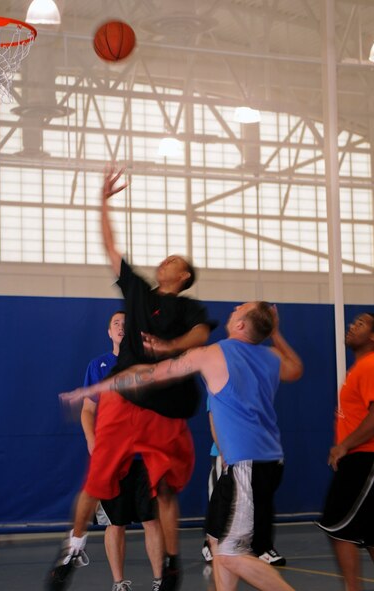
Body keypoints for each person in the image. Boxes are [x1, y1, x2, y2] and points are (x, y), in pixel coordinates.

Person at [47, 165, 213, 591]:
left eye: (174, 261)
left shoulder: (189, 309)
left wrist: (169, 348)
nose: (165, 261)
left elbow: (199, 334)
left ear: (184, 277)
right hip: (126, 400)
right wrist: (103, 201)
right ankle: (74, 546)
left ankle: (171, 563)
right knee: (96, 480)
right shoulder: (137, 291)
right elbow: (110, 244)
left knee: (166, 491)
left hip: (166, 401)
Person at [61, 300, 304, 591]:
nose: (235, 308)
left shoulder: (213, 354)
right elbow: (296, 369)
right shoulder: (271, 357)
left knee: (230, 554)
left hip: (247, 464)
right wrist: (275, 332)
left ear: (240, 325)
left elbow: (151, 375)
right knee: (216, 541)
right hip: (265, 462)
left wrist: (95, 388)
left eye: (239, 310)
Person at [81, 311, 163, 591]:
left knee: (151, 520)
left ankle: (159, 580)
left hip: (144, 458)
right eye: (116, 323)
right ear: (109, 332)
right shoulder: (98, 365)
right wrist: (93, 442)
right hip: (113, 460)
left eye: (127, 324)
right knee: (115, 523)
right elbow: (88, 409)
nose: (121, 327)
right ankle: (119, 583)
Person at [317, 312, 374, 591]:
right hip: (363, 456)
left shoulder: (373, 366)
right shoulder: (360, 368)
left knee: (337, 524)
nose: (352, 326)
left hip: (370, 456)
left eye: (360, 324)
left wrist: (345, 445)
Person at [202, 415, 287, 567]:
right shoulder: (218, 393)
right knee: (220, 503)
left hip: (252, 453)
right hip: (228, 454)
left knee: (260, 501)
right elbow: (215, 419)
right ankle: (211, 543)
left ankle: (261, 547)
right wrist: (223, 450)